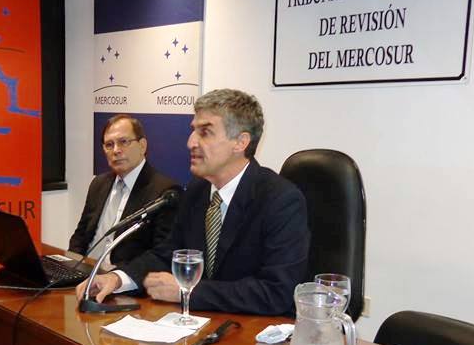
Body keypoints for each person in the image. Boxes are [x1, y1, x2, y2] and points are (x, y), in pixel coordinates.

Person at [77, 89, 309, 316]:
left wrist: (188, 291)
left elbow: (277, 291)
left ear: (240, 142)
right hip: (198, 323)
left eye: (205, 132)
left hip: (251, 331)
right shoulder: (198, 190)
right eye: (193, 131)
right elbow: (167, 254)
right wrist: (117, 278)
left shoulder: (280, 199)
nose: (190, 142)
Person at [68, 114, 180, 269]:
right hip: (86, 270)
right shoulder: (98, 183)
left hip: (123, 277)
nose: (116, 150)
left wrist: (117, 277)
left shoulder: (164, 192)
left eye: (123, 142)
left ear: (142, 146)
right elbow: (80, 236)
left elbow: (160, 254)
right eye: (109, 145)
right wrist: (70, 267)